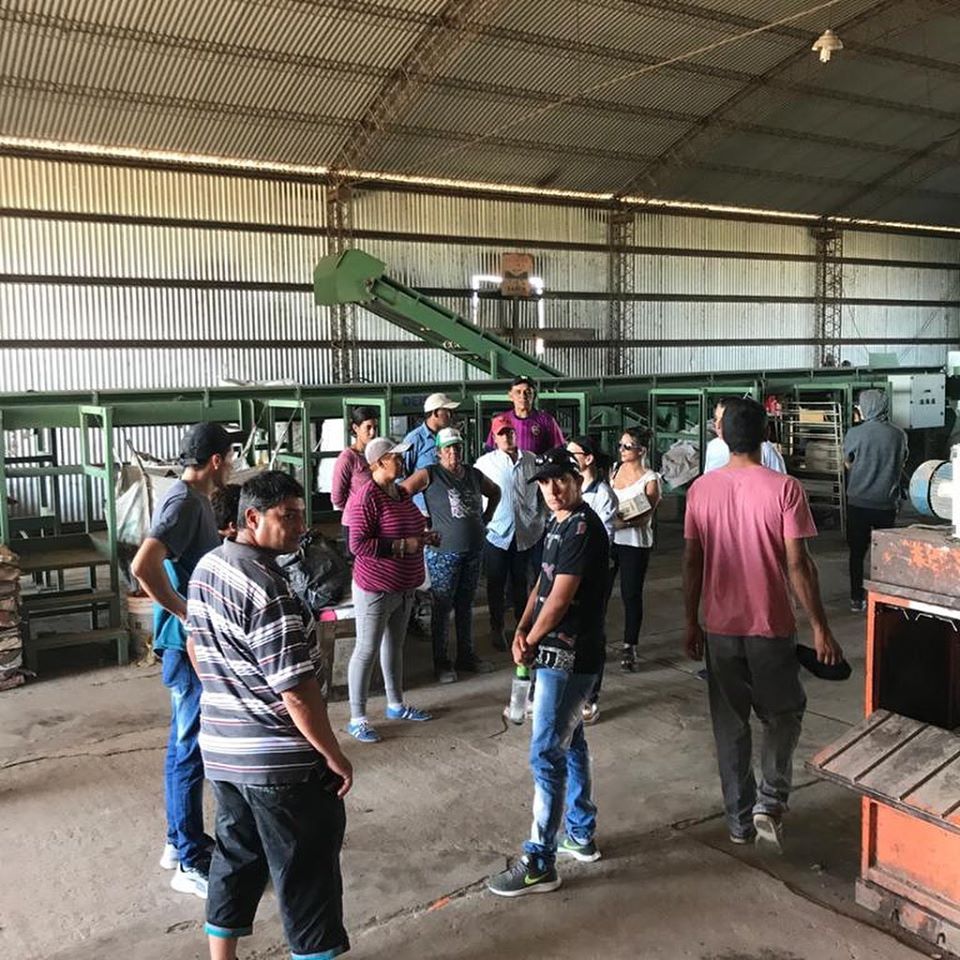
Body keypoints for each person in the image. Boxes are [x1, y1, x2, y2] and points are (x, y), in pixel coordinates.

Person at [186, 471, 353, 960]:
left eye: (301, 515)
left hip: (223, 751)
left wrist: (230, 693)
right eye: (288, 516)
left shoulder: (207, 568)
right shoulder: (268, 588)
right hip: (279, 763)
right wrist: (333, 754)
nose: (300, 526)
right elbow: (296, 691)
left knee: (235, 858)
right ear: (252, 518)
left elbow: (196, 647)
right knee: (306, 873)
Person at [682, 397, 843, 851]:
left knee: (729, 725)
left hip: (719, 627)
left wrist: (691, 622)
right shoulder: (784, 488)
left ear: (721, 435)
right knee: (783, 714)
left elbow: (692, 562)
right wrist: (820, 626)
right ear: (767, 435)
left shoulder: (700, 490)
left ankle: (739, 822)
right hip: (770, 626)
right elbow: (798, 564)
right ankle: (770, 802)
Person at [486, 447, 609, 897]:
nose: (552, 489)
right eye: (544, 482)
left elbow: (560, 599)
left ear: (576, 479)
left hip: (570, 657)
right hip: (553, 652)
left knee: (545, 754)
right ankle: (580, 832)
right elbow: (543, 582)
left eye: (560, 479)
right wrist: (522, 628)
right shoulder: (557, 523)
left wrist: (532, 639)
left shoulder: (582, 527)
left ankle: (540, 861)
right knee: (570, 742)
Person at [131, 421, 237, 899]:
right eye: (229, 457)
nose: (230, 465)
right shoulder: (184, 503)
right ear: (216, 460)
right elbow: (144, 565)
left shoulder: (190, 499)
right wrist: (185, 611)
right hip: (183, 643)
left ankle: (179, 841)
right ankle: (190, 860)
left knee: (182, 745)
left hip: (185, 641)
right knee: (190, 747)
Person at [344, 437, 438, 743]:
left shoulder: (400, 493)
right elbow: (357, 545)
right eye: (395, 457)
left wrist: (424, 537)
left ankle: (396, 704)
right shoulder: (366, 497)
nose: (401, 461)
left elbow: (408, 527)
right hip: (376, 588)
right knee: (366, 649)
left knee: (394, 646)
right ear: (379, 462)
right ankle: (357, 718)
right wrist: (401, 546)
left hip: (403, 585)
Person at [401, 427, 501, 683]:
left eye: (456, 447)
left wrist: (486, 518)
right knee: (442, 606)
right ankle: (442, 662)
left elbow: (495, 492)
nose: (453, 452)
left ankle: (466, 655)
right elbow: (401, 493)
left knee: (466, 605)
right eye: (447, 448)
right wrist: (419, 525)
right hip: (443, 553)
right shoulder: (430, 474)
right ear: (438, 452)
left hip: (473, 550)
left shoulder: (473, 474)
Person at [474, 415, 545, 652]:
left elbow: (542, 492)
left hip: (525, 533)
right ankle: (497, 627)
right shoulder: (484, 464)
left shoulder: (532, 460)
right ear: (494, 438)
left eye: (510, 432)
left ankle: (522, 628)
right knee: (495, 584)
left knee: (521, 583)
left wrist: (540, 519)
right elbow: (476, 495)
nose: (507, 437)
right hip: (496, 533)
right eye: (502, 434)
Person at [567, 436, 616, 724]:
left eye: (575, 454)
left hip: (593, 574)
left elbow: (601, 540)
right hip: (571, 572)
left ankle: (590, 697)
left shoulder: (603, 494)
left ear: (589, 458)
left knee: (592, 635)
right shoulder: (570, 489)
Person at [844, 389, 907, 612]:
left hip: (858, 502)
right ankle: (884, 600)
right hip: (886, 503)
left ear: (865, 407)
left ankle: (856, 598)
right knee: (884, 554)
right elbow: (902, 462)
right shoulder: (898, 435)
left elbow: (847, 461)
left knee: (857, 553)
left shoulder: (855, 433)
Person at [610, 427, 661, 672]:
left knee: (631, 594)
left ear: (641, 450)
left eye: (627, 446)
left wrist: (624, 523)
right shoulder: (614, 470)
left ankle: (630, 645)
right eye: (621, 445)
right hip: (612, 540)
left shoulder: (650, 479)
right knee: (601, 590)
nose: (622, 450)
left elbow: (646, 514)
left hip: (634, 543)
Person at [330, 405, 379, 553]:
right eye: (368, 428)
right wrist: (356, 510)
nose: (373, 432)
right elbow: (337, 497)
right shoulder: (348, 458)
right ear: (356, 428)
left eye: (375, 427)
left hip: (376, 521)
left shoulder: (377, 455)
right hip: (355, 524)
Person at [402, 392, 461, 511]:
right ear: (435, 413)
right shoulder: (414, 439)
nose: (451, 415)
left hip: (448, 507)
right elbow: (403, 474)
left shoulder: (450, 436)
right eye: (447, 411)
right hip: (424, 510)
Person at [485, 376, 565, 455]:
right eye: (518, 392)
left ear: (534, 395)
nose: (523, 396)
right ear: (510, 396)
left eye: (528, 392)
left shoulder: (546, 420)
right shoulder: (501, 420)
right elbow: (489, 451)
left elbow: (560, 449)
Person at [704, 399, 787, 474]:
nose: (717, 426)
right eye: (716, 419)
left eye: (723, 420)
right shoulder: (713, 446)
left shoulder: (765, 449)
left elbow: (778, 480)